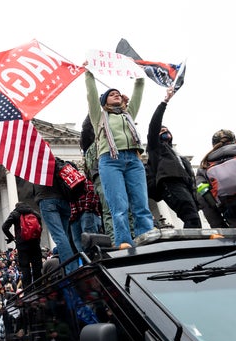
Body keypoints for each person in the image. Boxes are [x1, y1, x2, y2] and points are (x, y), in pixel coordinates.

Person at [84, 68, 155, 248]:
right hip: (110, 161)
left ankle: (146, 237)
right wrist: (89, 73)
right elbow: (91, 95)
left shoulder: (128, 114)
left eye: (117, 93)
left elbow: (139, 89)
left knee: (141, 204)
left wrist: (139, 73)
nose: (115, 95)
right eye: (111, 94)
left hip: (133, 159)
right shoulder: (98, 117)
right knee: (119, 206)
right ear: (104, 102)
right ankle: (124, 241)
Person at [146, 87, 201, 228]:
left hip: (185, 185)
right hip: (170, 184)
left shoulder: (177, 155)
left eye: (167, 130)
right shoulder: (155, 148)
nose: (165, 132)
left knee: (194, 219)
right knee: (191, 217)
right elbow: (154, 125)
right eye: (161, 131)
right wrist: (164, 102)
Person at [33, 180, 77, 274]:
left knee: (59, 236)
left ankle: (71, 270)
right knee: (66, 236)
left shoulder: (38, 165)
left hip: (46, 198)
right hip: (64, 198)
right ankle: (67, 268)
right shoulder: (60, 163)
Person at [2, 202, 44, 287]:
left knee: (25, 268)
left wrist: (11, 238)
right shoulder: (34, 213)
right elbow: (40, 228)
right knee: (37, 267)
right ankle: (39, 288)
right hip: (35, 244)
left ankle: (28, 291)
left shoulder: (15, 213)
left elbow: (4, 227)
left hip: (22, 244)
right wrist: (37, 239)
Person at [69, 177, 102, 253]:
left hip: (85, 212)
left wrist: (88, 208)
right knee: (78, 242)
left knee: (89, 238)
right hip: (74, 216)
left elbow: (91, 192)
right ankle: (86, 260)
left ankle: (93, 258)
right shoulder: (65, 185)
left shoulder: (83, 179)